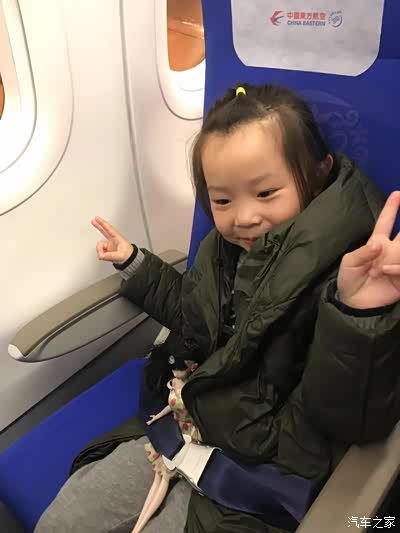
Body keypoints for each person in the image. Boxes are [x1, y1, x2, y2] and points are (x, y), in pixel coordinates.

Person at [35, 83, 400, 533]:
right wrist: (137, 265)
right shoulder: (224, 249)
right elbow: (195, 318)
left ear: (318, 174)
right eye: (222, 200)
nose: (242, 217)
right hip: (186, 421)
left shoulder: (353, 274)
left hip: (263, 473)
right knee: (62, 520)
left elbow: (344, 416)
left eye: (266, 193)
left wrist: (358, 315)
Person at [133, 337, 201, 533]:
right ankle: (138, 526)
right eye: (175, 367)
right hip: (173, 428)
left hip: (188, 433)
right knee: (158, 475)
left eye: (181, 368)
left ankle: (139, 527)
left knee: (164, 478)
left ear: (193, 367)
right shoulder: (173, 383)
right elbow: (170, 407)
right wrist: (157, 417)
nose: (176, 372)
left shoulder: (190, 389)